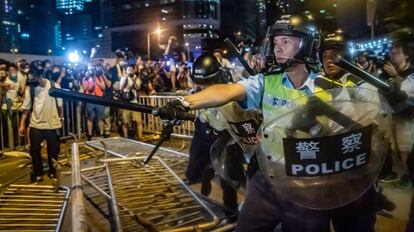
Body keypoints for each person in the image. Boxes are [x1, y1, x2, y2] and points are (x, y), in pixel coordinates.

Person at [162, 14, 379, 231]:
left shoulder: (330, 89)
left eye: (286, 41)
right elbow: (227, 90)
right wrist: (184, 102)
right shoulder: (267, 81)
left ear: (307, 44)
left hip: (308, 187)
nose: (278, 48)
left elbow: (350, 139)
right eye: (275, 42)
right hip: (268, 181)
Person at [18, 60, 62, 183]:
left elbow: (60, 106)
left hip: (52, 125)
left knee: (53, 150)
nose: (30, 76)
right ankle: (38, 172)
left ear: (40, 73)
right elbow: (26, 109)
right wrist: (22, 124)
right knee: (34, 150)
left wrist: (60, 119)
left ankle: (53, 171)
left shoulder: (54, 86)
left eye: (32, 73)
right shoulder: (30, 89)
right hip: (36, 125)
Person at [119, 65, 143, 139]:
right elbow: (121, 88)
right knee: (125, 121)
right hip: (126, 102)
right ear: (126, 71)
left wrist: (134, 80)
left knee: (138, 121)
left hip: (134, 101)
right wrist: (126, 79)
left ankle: (140, 137)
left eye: (131, 69)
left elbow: (138, 88)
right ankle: (126, 137)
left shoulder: (136, 78)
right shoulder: (123, 78)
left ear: (133, 70)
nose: (130, 71)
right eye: (128, 69)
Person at [82, 67, 106, 140]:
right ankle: (90, 134)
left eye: (93, 71)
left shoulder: (99, 77)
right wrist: (87, 78)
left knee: (100, 118)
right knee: (90, 118)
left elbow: (104, 87)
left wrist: (96, 81)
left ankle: (101, 133)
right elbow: (84, 87)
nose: (92, 72)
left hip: (99, 99)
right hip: (90, 99)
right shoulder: (85, 78)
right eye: (90, 71)